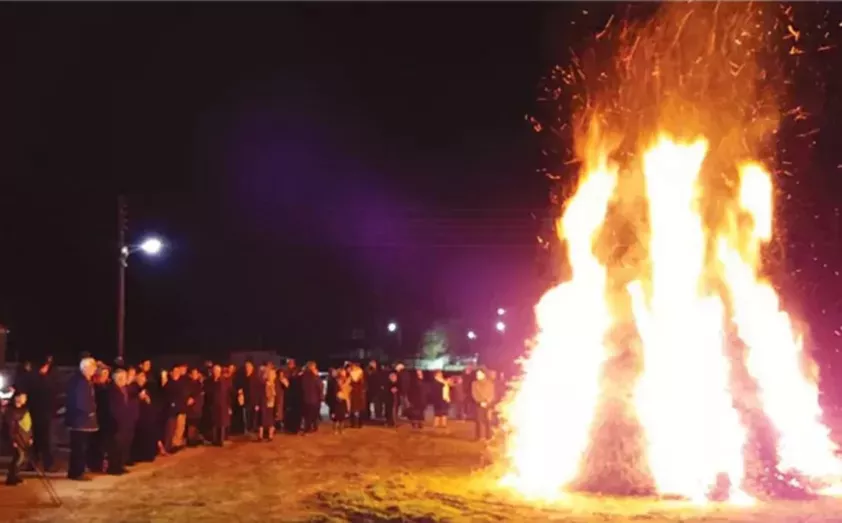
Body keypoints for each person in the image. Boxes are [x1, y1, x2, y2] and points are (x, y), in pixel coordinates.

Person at [65, 357, 98, 481]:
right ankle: (76, 472)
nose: (94, 370)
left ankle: (77, 471)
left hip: (84, 420)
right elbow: (79, 400)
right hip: (80, 421)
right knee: (79, 448)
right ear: (85, 368)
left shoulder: (86, 380)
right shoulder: (79, 381)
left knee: (81, 448)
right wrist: (88, 411)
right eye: (92, 367)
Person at [27, 357, 55, 472]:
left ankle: (36, 463)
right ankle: (45, 463)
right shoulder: (44, 381)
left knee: (39, 441)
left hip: (38, 413)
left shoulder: (34, 380)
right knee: (43, 440)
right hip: (42, 414)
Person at [4, 391, 32, 486]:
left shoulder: (24, 410)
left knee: (21, 457)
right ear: (17, 398)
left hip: (23, 437)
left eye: (25, 397)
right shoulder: (11, 411)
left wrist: (30, 437)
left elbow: (28, 425)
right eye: (23, 397)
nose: (25, 399)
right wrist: (13, 440)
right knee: (19, 457)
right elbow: (10, 427)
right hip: (17, 438)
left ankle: (15, 476)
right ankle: (11, 478)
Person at [106, 369, 131, 475]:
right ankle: (113, 467)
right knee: (115, 446)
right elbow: (113, 408)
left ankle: (120, 465)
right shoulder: (112, 390)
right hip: (116, 423)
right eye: (123, 378)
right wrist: (117, 420)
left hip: (123, 422)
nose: (125, 380)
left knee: (122, 445)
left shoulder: (123, 389)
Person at [131, 372, 159, 463]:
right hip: (139, 417)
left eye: (144, 377)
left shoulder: (145, 389)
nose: (143, 379)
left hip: (147, 417)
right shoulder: (133, 388)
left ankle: (147, 455)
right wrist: (139, 398)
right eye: (141, 377)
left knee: (147, 435)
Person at [204, 364, 232, 446]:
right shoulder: (209, 381)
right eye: (214, 371)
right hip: (213, 405)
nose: (216, 372)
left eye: (217, 371)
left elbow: (229, 394)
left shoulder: (225, 381)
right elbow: (207, 392)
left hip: (223, 404)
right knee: (214, 423)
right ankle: (214, 439)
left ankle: (221, 440)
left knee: (222, 423)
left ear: (220, 372)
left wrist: (229, 405)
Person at [471, 369, 495, 441]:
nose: (477, 376)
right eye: (477, 374)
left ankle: (488, 436)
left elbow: (492, 394)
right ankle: (479, 436)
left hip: (488, 405)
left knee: (488, 420)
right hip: (479, 404)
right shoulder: (474, 383)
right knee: (479, 420)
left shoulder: (490, 383)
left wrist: (487, 402)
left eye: (479, 374)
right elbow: (474, 394)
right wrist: (480, 402)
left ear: (484, 374)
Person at [300, 362, 323, 434]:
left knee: (307, 415)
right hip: (314, 398)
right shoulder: (314, 376)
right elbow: (320, 386)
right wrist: (321, 397)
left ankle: (308, 428)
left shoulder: (303, 376)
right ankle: (312, 427)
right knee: (313, 414)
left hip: (305, 398)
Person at [258, 368, 278, 442]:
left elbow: (276, 394)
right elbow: (262, 394)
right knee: (263, 418)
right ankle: (261, 436)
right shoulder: (264, 384)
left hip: (271, 403)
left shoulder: (274, 384)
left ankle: (270, 435)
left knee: (270, 419)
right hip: (266, 403)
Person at [333, 368, 351, 434]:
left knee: (343, 415)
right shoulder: (337, 380)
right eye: (343, 372)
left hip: (344, 399)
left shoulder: (345, 380)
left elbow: (348, 388)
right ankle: (336, 429)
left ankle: (342, 429)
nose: (344, 373)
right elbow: (336, 389)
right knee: (337, 416)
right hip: (339, 399)